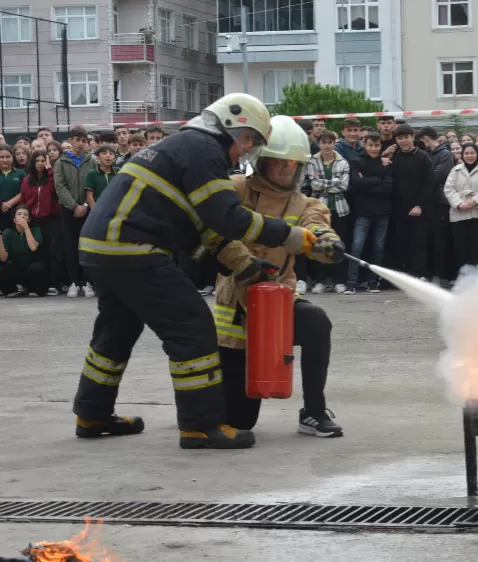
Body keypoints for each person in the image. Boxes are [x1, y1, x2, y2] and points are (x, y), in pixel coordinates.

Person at [71, 93, 317, 450]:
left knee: (116, 330)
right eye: (247, 140)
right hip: (134, 248)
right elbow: (227, 216)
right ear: (231, 126)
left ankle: (91, 413)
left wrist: (244, 266)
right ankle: (200, 426)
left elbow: (201, 226)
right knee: (193, 329)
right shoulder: (204, 150)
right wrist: (290, 235)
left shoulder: (183, 146)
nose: (245, 150)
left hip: (101, 248)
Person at [213, 115, 346, 438]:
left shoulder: (304, 202)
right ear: (262, 162)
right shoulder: (236, 188)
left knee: (317, 322)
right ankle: (204, 408)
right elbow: (213, 229)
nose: (288, 169)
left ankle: (313, 411)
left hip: (278, 299)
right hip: (236, 307)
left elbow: (316, 225)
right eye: (280, 163)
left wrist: (325, 243)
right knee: (240, 422)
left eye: (294, 164)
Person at [345, 132, 394, 295]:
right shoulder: (357, 162)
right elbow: (355, 183)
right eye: (371, 145)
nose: (374, 148)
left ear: (381, 146)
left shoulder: (386, 164)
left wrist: (366, 183)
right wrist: (376, 180)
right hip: (362, 211)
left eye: (377, 145)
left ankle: (373, 281)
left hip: (382, 211)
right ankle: (351, 282)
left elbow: (388, 187)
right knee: (357, 246)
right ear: (365, 145)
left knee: (378, 248)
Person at [53, 127, 97, 298]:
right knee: (71, 246)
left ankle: (87, 282)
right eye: (77, 140)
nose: (80, 143)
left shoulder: (91, 161)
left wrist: (85, 205)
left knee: (87, 246)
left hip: (87, 209)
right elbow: (60, 187)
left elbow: (93, 186)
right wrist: (74, 206)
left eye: (83, 140)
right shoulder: (61, 162)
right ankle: (74, 282)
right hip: (68, 211)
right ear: (70, 141)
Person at [306, 130, 351, 294]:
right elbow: (313, 185)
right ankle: (320, 280)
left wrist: (323, 183)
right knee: (319, 245)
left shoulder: (343, 162)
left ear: (334, 143)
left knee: (339, 245)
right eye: (324, 142)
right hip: (319, 210)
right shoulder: (312, 162)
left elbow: (343, 186)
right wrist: (333, 182)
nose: (327, 145)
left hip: (339, 209)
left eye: (330, 142)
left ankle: (339, 280)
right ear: (319, 144)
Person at [390, 124, 434, 280]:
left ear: (413, 137)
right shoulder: (395, 157)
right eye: (400, 138)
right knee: (401, 242)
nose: (403, 141)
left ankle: (419, 273)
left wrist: (419, 205)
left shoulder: (423, 157)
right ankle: (406, 274)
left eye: (406, 137)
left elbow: (429, 183)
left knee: (418, 243)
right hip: (399, 208)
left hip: (419, 209)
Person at [20, 150, 62, 295]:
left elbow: (58, 188)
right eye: (37, 161)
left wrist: (50, 170)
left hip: (51, 220)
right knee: (39, 252)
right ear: (33, 162)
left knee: (53, 252)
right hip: (33, 221)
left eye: (43, 161)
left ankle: (54, 284)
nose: (40, 164)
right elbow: (24, 200)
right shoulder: (27, 180)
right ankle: (40, 284)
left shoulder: (51, 178)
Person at [444, 143, 478, 271]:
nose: (469, 156)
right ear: (462, 155)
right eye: (466, 153)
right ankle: (462, 278)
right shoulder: (456, 170)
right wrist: (459, 203)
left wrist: (475, 201)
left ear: (477, 154)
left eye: (472, 153)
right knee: (461, 249)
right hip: (459, 215)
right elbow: (448, 189)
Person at [415, 127, 454, 284]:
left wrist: (422, 177)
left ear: (425, 139)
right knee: (427, 240)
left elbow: (436, 176)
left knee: (439, 241)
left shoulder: (445, 155)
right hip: (426, 204)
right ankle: (428, 272)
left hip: (440, 203)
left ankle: (439, 274)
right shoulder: (427, 155)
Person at [0, 205, 46, 297]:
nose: (22, 216)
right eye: (19, 214)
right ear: (14, 219)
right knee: (5, 268)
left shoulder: (35, 230)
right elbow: (3, 258)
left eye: (25, 215)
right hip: (16, 269)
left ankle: (35, 289)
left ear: (29, 219)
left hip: (30, 269)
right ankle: (11, 290)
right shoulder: (8, 232)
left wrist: (26, 227)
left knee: (37, 267)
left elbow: (33, 247)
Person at [0, 145, 27, 232]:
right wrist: (1, 204)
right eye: (1, 157)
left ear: (13, 157)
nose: (5, 160)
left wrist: (10, 203)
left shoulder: (20, 173)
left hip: (16, 213)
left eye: (8, 157)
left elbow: (25, 191)